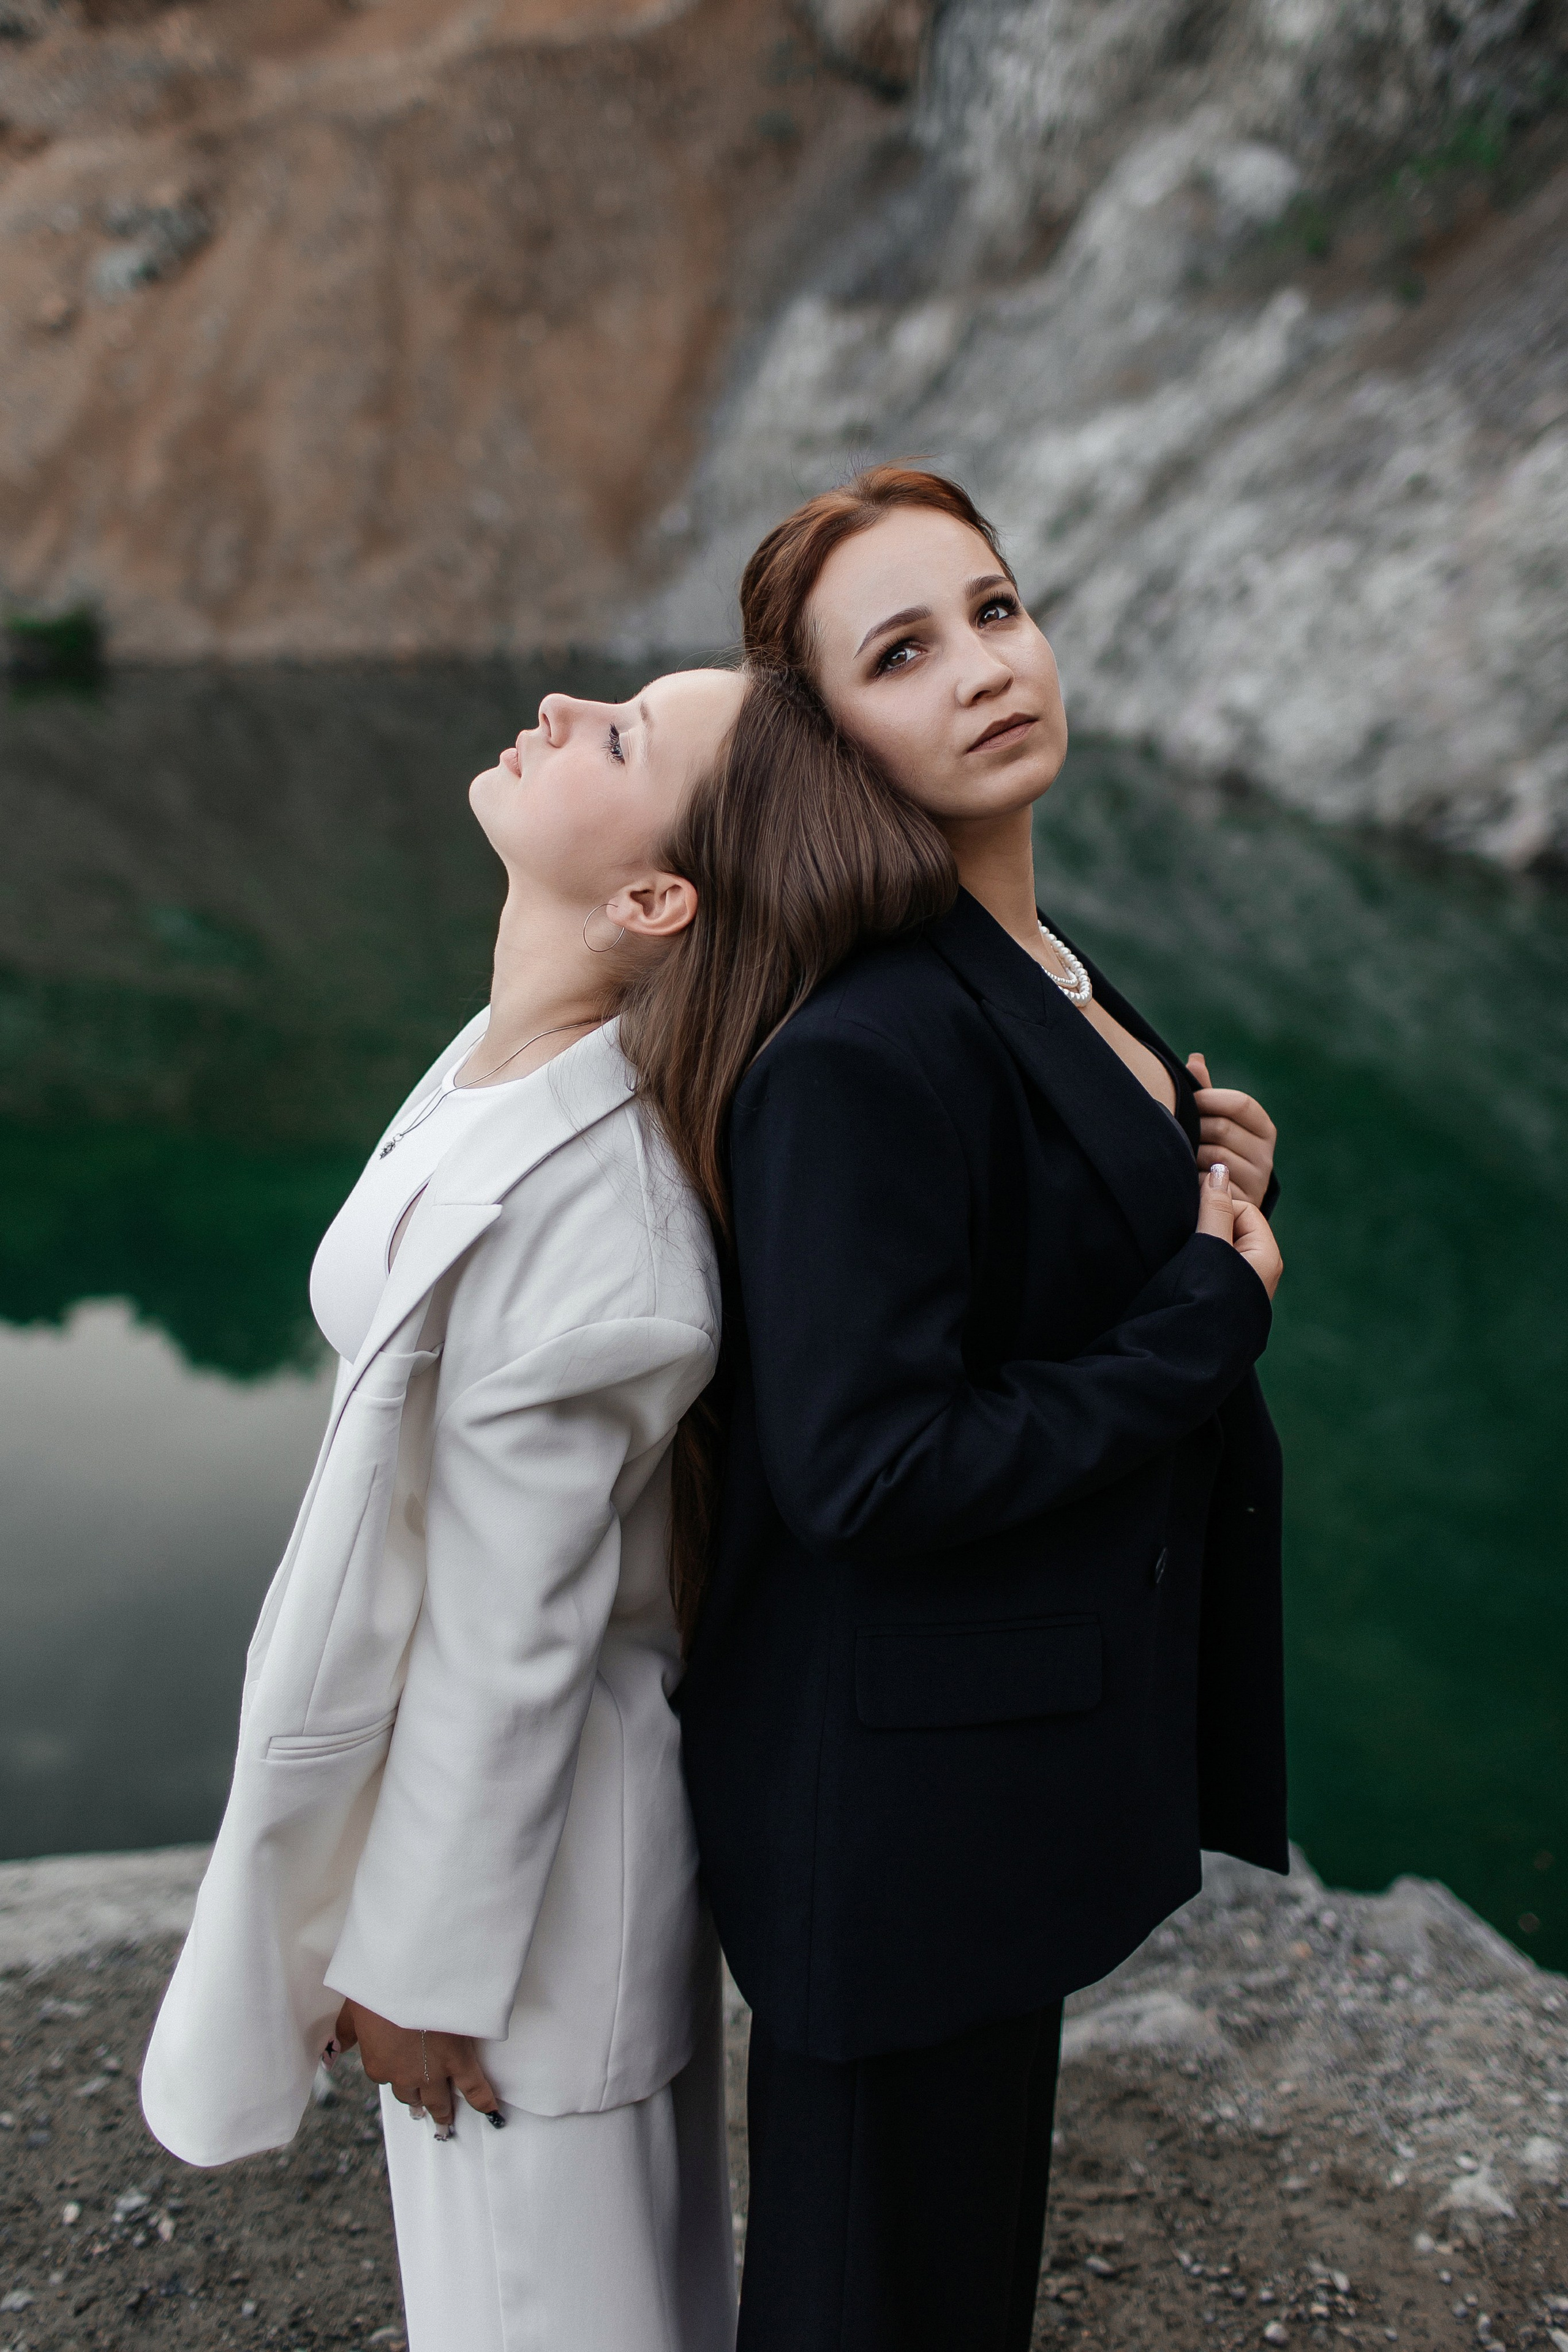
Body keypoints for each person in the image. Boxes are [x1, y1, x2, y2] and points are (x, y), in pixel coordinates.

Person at [673, 468, 1289, 2352]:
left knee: (953, 2290)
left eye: (998, 611)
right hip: (894, 1824)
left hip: (993, 1779)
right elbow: (870, 1469)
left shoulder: (1046, 963)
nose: (985, 670)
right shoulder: (858, 1048)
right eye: (904, 652)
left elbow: (1036, 1240)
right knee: (879, 2303)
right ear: (826, 735)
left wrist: (1196, 1178)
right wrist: (1208, 1306)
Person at [141, 666, 755, 2352]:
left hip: (539, 1916)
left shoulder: (609, 1227)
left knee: (543, 2315)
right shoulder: (509, 1057)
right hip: (507, 1869)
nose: (561, 703)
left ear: (652, 898)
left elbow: (517, 1636)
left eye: (622, 736)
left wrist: (421, 1963)